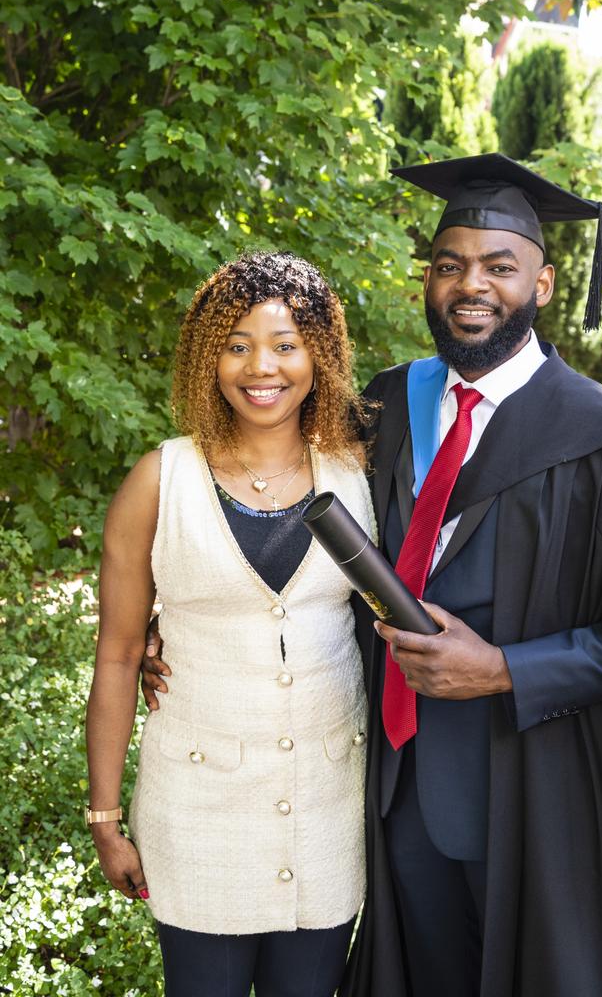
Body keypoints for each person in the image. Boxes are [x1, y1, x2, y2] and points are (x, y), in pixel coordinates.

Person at [142, 155, 602, 997]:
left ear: (541, 283)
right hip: (397, 793)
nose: (473, 284)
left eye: (500, 266)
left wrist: (504, 667)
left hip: (539, 794)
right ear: (428, 279)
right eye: (450, 264)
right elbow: (272, 506)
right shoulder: (384, 411)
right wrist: (178, 624)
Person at [85, 251, 375, 997]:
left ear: (320, 353)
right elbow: (118, 656)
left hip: (328, 814)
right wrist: (105, 817)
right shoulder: (161, 480)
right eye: (237, 343)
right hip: (198, 814)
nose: (262, 366)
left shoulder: (360, 473)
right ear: (207, 356)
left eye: (285, 343)